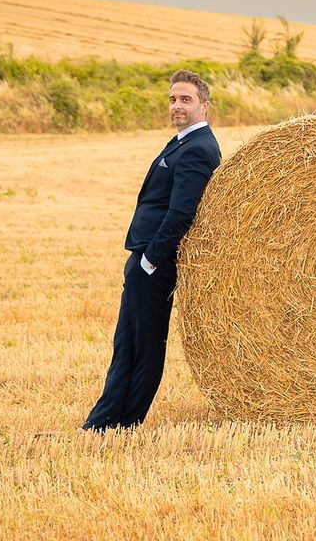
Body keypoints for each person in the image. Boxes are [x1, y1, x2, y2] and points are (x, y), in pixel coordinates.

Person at [81, 68, 222, 430]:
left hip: (155, 263)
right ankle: (103, 421)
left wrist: (150, 260)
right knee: (126, 343)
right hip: (144, 259)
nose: (177, 106)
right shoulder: (182, 142)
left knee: (144, 346)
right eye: (173, 99)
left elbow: (181, 213)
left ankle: (126, 421)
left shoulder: (198, 148)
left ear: (204, 106)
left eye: (186, 100)